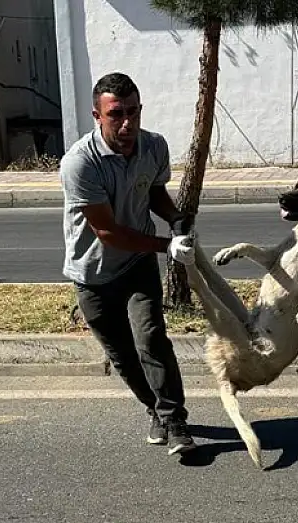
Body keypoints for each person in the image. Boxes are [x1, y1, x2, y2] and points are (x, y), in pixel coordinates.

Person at [59, 72, 198, 456]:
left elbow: (154, 192)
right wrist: (166, 245)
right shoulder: (80, 164)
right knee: (122, 355)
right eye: (116, 114)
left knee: (151, 338)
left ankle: (175, 421)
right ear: (97, 116)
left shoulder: (153, 147)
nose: (127, 124)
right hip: (92, 274)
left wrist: (176, 219)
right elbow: (107, 232)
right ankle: (154, 409)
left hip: (137, 263)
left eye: (133, 112)